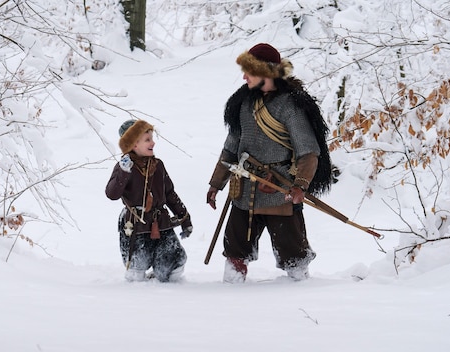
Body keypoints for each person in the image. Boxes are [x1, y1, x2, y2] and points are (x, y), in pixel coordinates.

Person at [206, 43, 332, 283]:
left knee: (294, 256)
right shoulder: (242, 104)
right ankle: (229, 296)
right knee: (235, 252)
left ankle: (301, 297)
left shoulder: (291, 105)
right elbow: (230, 148)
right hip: (243, 192)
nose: (243, 77)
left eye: (249, 71)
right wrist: (216, 184)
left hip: (280, 191)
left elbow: (308, 152)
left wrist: (300, 186)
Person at [106, 119, 193, 282]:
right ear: (133, 144)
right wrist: (123, 172)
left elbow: (170, 193)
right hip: (135, 226)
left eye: (152, 138)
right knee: (137, 270)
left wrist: (184, 218)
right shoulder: (124, 167)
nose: (153, 143)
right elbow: (112, 194)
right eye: (147, 140)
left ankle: (169, 287)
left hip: (161, 223)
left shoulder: (158, 165)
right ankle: (140, 295)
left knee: (174, 261)